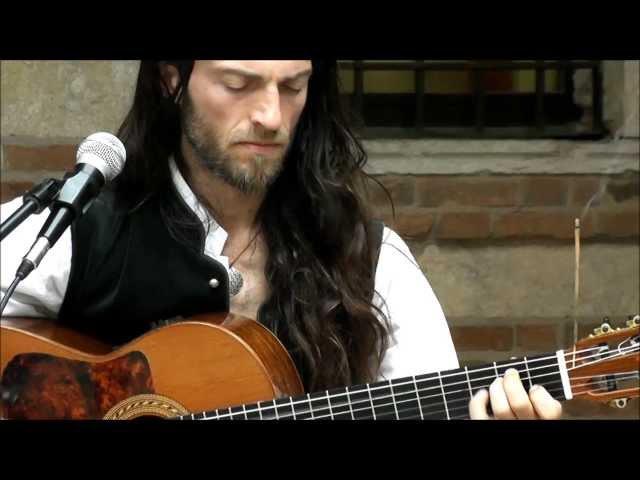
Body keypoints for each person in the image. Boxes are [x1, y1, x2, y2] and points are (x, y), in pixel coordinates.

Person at [1, 60, 562, 420]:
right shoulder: (78, 230)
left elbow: (435, 395)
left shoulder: (371, 263)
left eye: (292, 87)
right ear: (172, 77)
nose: (271, 116)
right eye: (238, 84)